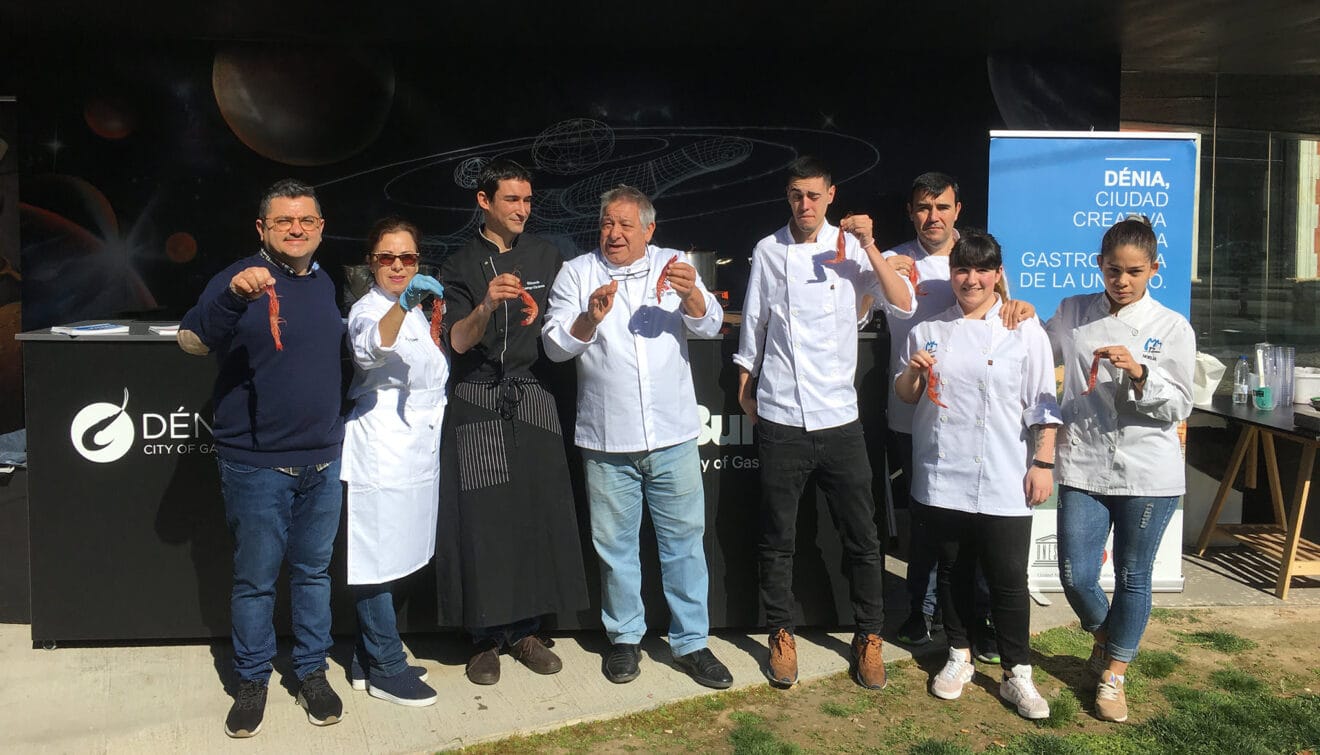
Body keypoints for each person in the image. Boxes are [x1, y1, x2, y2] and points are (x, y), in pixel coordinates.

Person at [733, 156, 915, 691]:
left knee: (862, 536)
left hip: (840, 417)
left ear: (830, 195)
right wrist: (746, 378)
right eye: (795, 195)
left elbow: (901, 305)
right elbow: (756, 319)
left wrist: (872, 247)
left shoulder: (852, 247)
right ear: (787, 196)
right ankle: (780, 634)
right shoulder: (768, 250)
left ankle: (870, 636)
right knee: (778, 537)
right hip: (783, 414)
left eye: (813, 195)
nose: (804, 205)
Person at [542, 184, 733, 690]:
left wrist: (692, 292)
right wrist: (589, 317)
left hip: (672, 435)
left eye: (626, 224)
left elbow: (712, 325)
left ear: (650, 229)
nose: (614, 233)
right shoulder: (577, 273)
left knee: (684, 546)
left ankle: (692, 643)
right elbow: (554, 347)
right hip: (607, 440)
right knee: (615, 548)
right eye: (607, 223)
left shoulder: (674, 264)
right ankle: (624, 639)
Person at [178, 179, 346, 737]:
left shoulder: (330, 283)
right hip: (256, 465)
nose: (296, 229)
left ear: (320, 227)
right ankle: (252, 682)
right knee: (255, 580)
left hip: (322, 461)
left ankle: (311, 673)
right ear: (262, 229)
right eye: (283, 222)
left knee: (313, 575)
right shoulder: (240, 278)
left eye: (306, 221)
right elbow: (191, 341)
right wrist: (232, 296)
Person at [895, 230, 1061, 721]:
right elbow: (907, 395)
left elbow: (1042, 404)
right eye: (962, 270)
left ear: (997, 275)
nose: (971, 279)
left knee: (1008, 578)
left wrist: (1044, 462)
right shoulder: (927, 331)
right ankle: (959, 656)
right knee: (952, 572)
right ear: (952, 275)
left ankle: (1018, 675)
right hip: (943, 471)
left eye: (981, 270)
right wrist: (914, 375)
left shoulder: (1022, 328)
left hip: (1005, 472)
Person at [436, 159, 589, 686]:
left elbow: (566, 327)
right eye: (512, 200)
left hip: (534, 397)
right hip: (477, 397)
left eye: (528, 200)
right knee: (484, 522)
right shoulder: (457, 264)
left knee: (532, 514)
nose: (523, 209)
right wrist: (485, 304)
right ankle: (484, 637)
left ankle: (527, 630)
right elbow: (456, 340)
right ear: (484, 202)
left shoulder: (549, 255)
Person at [1045, 217, 1195, 723]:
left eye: (1134, 271)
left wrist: (1139, 372)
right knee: (1075, 575)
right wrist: (1015, 313)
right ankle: (1107, 638)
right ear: (1099, 265)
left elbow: (1180, 405)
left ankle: (1114, 676)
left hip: (1148, 473)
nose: (1122, 281)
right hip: (1083, 463)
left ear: (1155, 268)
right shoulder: (1072, 313)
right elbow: (1036, 354)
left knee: (1134, 575)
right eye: (1113, 270)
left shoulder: (1172, 327)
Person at [883, 173, 1033, 660]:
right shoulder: (895, 260)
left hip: (980, 423)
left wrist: (1021, 307)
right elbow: (863, 305)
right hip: (917, 410)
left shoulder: (978, 255)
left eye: (942, 207)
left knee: (982, 528)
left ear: (957, 209)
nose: (933, 216)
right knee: (928, 531)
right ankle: (920, 610)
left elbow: (1008, 308)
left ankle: (981, 620)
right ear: (911, 212)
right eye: (923, 208)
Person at [340, 218, 447, 707]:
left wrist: (411, 309)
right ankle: (386, 666)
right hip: (380, 451)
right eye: (388, 257)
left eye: (407, 257)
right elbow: (368, 350)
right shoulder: (368, 309)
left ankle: (368, 655)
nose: (399, 266)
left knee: (402, 555)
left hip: (416, 451)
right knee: (377, 561)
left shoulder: (419, 313)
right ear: (372, 262)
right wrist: (402, 308)